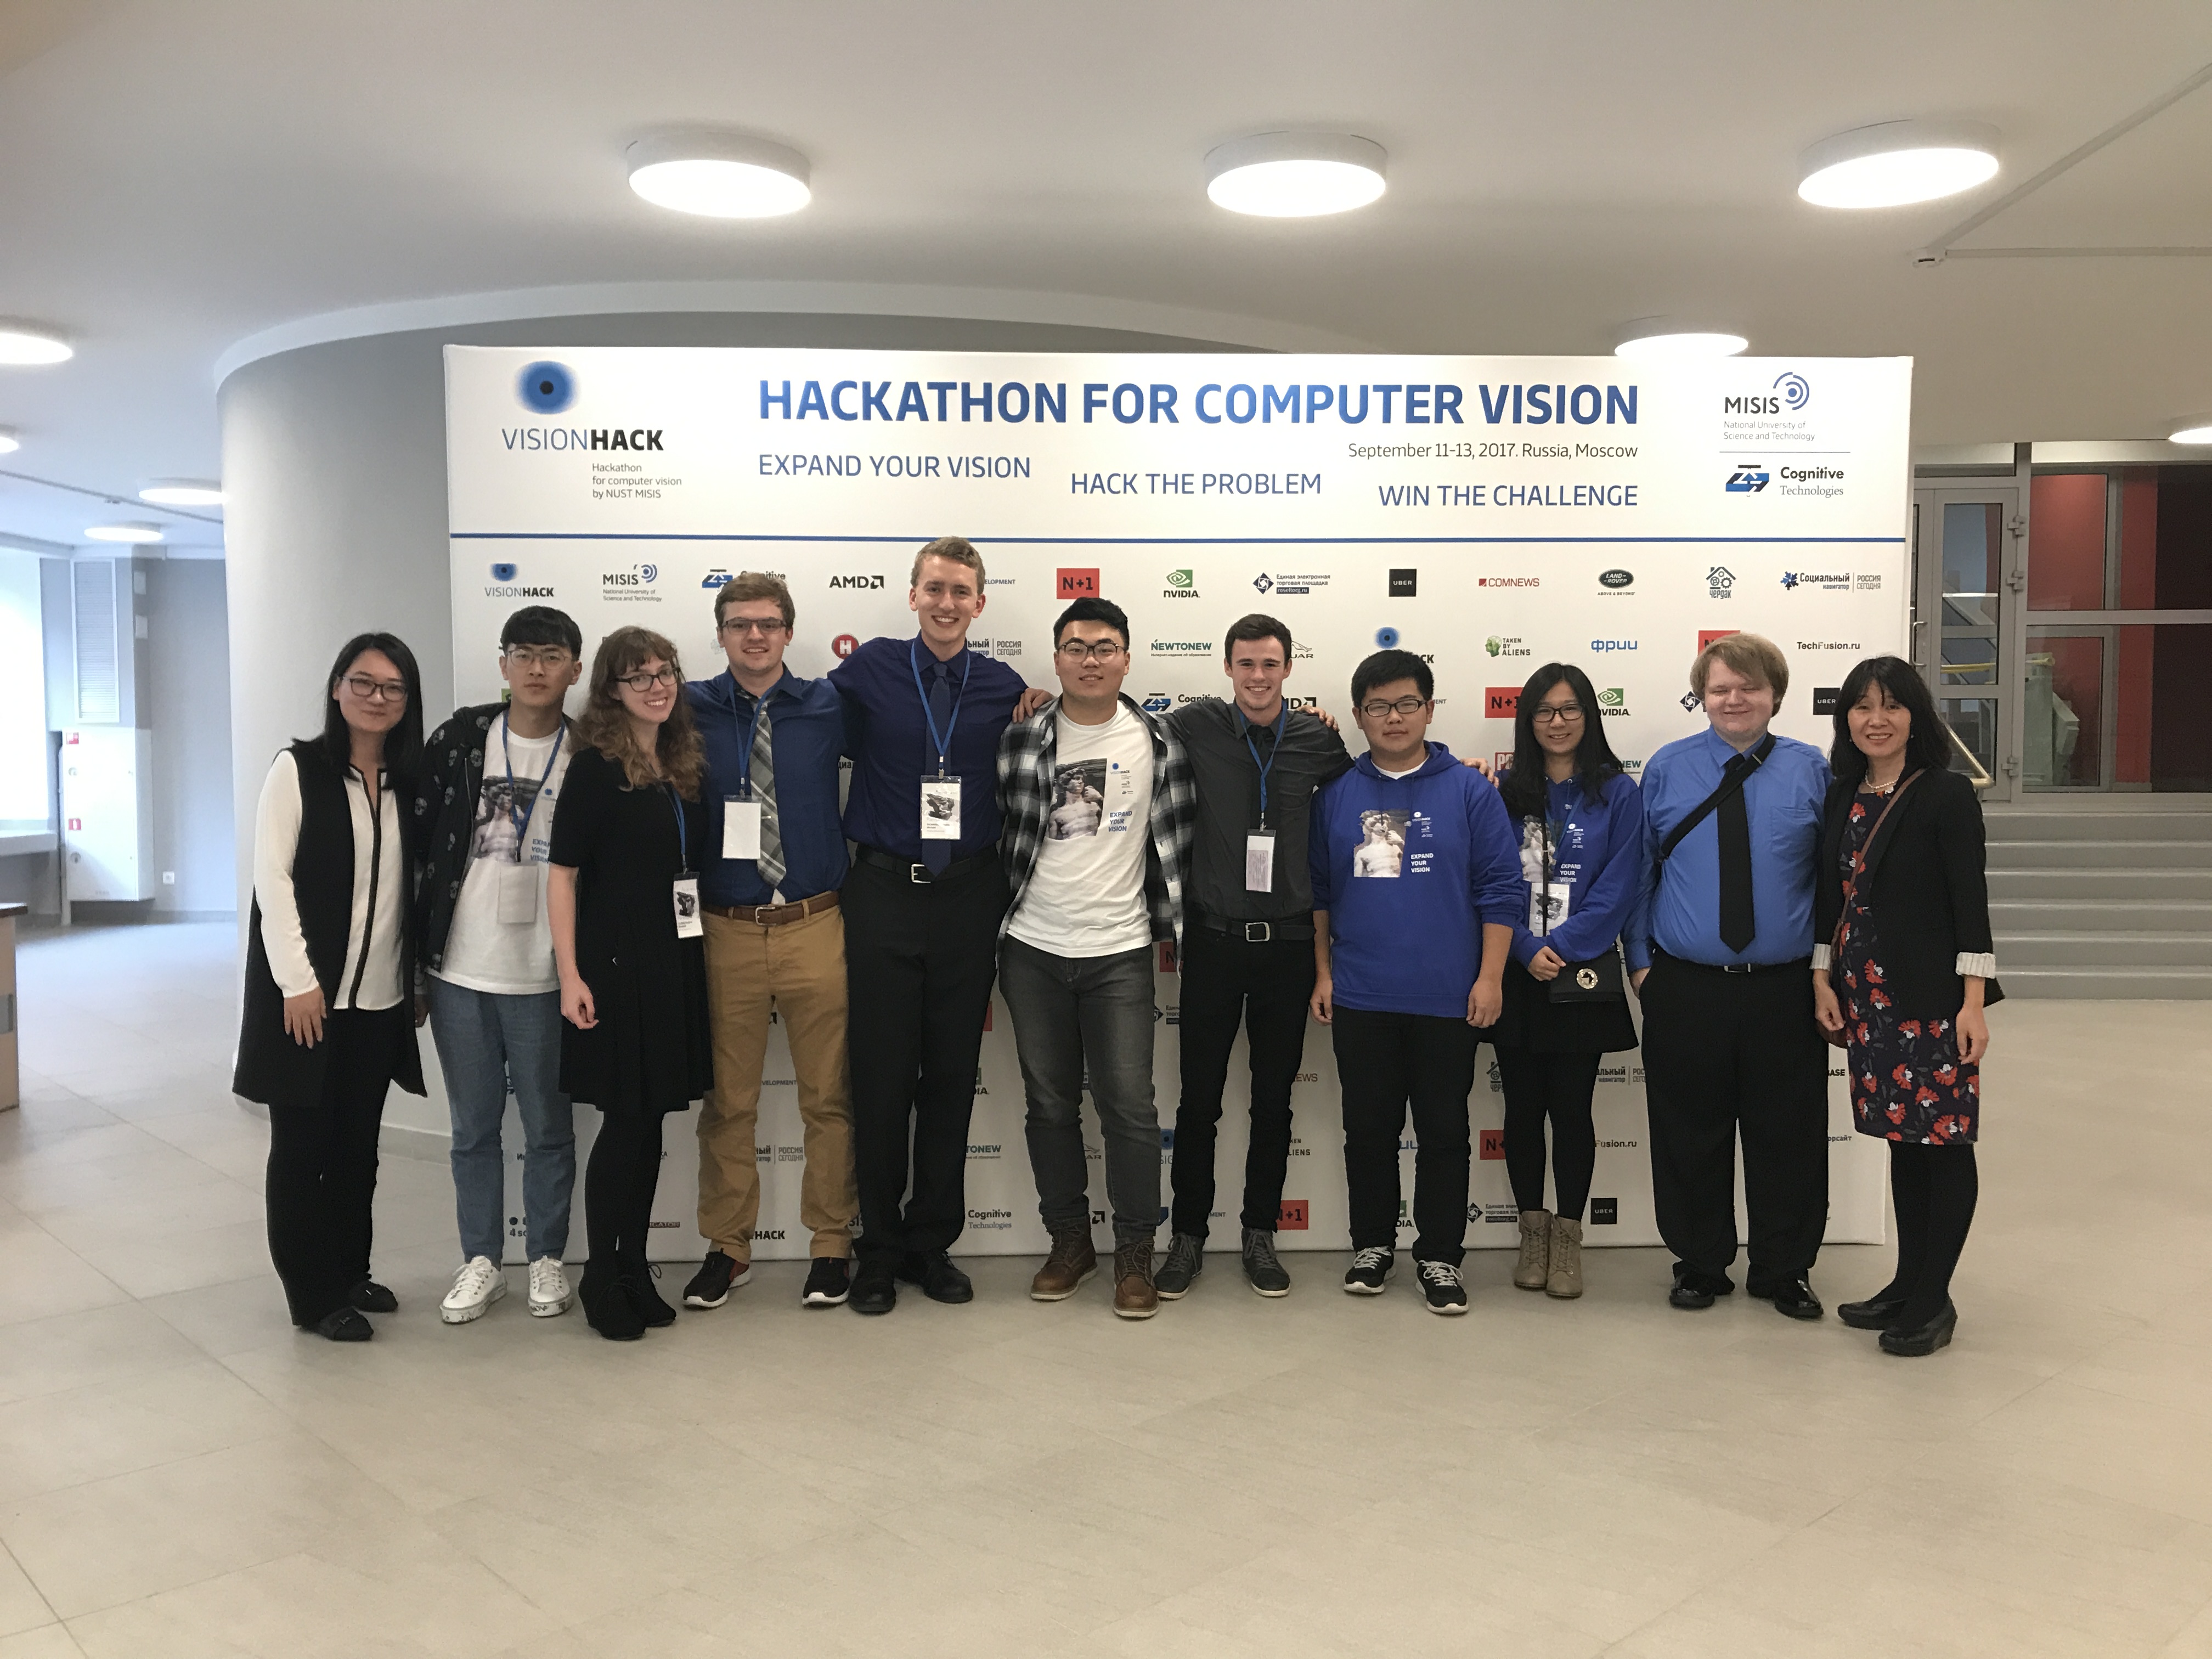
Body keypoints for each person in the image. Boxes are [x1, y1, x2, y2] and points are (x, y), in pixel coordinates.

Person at [830, 537, 1042, 1315]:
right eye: (935, 589)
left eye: (961, 592)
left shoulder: (1004, 686)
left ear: (979, 604)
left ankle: (931, 1244)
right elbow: (800, 721)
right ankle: (879, 1250)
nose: (947, 603)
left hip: (969, 896)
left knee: (952, 1077)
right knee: (882, 1081)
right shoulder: (869, 670)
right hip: (883, 891)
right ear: (913, 595)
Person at [996, 596, 1196, 1319]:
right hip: (1033, 948)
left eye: (1104, 647)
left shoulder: (1163, 742)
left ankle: (1135, 1254)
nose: (1090, 659)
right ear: (1057, 659)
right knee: (1049, 1105)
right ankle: (1070, 1243)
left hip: (1120, 951)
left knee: (1131, 1109)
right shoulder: (1021, 739)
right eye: (1076, 647)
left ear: (1126, 659)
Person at [1310, 649, 1522, 1315]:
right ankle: (1372, 1245)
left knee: (1444, 1134)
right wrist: (1323, 973)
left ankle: (1440, 1255)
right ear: (1358, 716)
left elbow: (1502, 890)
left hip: (1448, 997)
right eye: (1378, 706)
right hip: (1361, 994)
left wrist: (1490, 979)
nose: (1393, 717)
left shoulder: (1470, 790)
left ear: (1429, 710)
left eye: (1406, 704)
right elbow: (1319, 894)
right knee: (1368, 1131)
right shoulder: (1336, 794)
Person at [1626, 632, 1832, 1319]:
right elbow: (1640, 873)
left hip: (1784, 987)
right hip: (1687, 985)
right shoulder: (1667, 768)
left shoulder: (1811, 770)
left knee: (1790, 1136)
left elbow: (1832, 882)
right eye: (1720, 689)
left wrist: (1826, 971)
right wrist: (1641, 965)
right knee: (1689, 1133)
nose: (1734, 699)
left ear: (1776, 695)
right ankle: (1699, 1263)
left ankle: (1785, 1269)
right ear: (1702, 697)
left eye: (1749, 687)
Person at [234, 633, 427, 1342]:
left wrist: (412, 982)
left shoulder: (409, 784)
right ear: (338, 687)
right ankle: (311, 1295)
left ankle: (350, 1272)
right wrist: (297, 982)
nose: (377, 698)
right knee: (301, 1149)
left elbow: (408, 892)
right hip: (308, 1000)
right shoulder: (298, 769)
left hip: (377, 1002)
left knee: (357, 1148)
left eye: (393, 687)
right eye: (363, 682)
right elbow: (272, 880)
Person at [1156, 614, 1351, 1300]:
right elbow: (1117, 722)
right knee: (1199, 1103)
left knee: (1273, 1103)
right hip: (1212, 945)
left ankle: (1259, 1234)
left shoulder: (1318, 739)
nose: (1258, 677)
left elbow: (1376, 786)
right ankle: (1186, 1236)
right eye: (1246, 664)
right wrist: (1038, 699)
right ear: (1228, 668)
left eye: (1270, 664)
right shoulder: (1196, 724)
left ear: (1289, 668)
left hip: (1289, 948)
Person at [1812, 656, 1999, 1357]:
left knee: (1943, 1144)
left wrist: (1973, 1003)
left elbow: (1970, 904)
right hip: (1868, 1002)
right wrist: (1823, 978)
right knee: (1903, 1140)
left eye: (1891, 705)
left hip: (1932, 1003)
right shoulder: (1844, 793)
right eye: (1862, 706)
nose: (1876, 719)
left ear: (1916, 716)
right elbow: (1830, 899)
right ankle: (1907, 1282)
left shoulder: (1947, 794)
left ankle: (1933, 1299)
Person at [682, 573, 859, 1313]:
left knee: (829, 1098)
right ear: (721, 633)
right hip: (726, 929)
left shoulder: (830, 704)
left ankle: (831, 1245)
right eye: (739, 624)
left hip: (816, 923)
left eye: (767, 624)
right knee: (729, 1103)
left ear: (788, 631)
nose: (754, 636)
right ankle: (728, 1248)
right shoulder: (686, 707)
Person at [414, 606, 584, 1327]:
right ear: (504, 663)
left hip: (544, 973)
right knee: (473, 1129)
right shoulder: (461, 740)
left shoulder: (589, 751)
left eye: (553, 655)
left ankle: (546, 1257)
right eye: (524, 653)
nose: (537, 668)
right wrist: (414, 967)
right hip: (460, 969)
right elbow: (417, 847)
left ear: (575, 669)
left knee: (547, 1126)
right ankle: (481, 1258)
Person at [547, 627, 713, 1340]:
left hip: (674, 963)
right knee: (623, 1124)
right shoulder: (594, 768)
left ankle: (635, 1266)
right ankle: (599, 1275)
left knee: (650, 1126)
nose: (657, 686)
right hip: (614, 969)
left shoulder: (681, 763)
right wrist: (570, 976)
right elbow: (562, 876)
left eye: (665, 672)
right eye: (638, 676)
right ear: (611, 691)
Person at [1489, 663, 1643, 1301]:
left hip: (1580, 972)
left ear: (1590, 716)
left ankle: (1569, 1238)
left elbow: (1621, 883)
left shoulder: (1617, 792)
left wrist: (1563, 945)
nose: (1557, 722)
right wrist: (1526, 948)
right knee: (1522, 1109)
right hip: (1518, 969)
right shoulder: (1505, 791)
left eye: (1570, 709)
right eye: (1544, 711)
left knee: (1573, 1110)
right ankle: (1532, 1235)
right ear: (1528, 721)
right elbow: (1490, 876)